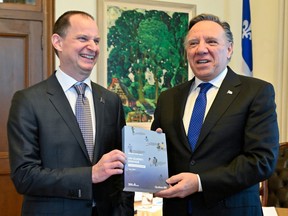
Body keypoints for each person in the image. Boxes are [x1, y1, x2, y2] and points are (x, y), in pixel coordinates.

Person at [7, 11, 134, 216]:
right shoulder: (28, 101)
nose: (92, 47)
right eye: (83, 38)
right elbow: (24, 176)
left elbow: (123, 168)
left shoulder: (111, 101)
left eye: (96, 40)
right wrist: (90, 175)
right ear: (57, 42)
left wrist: (124, 211)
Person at [151, 13, 279, 216]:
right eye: (193, 43)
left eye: (211, 42)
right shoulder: (168, 98)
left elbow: (261, 161)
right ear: (187, 52)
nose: (201, 49)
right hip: (178, 210)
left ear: (229, 49)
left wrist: (200, 182)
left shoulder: (255, 92)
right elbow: (158, 157)